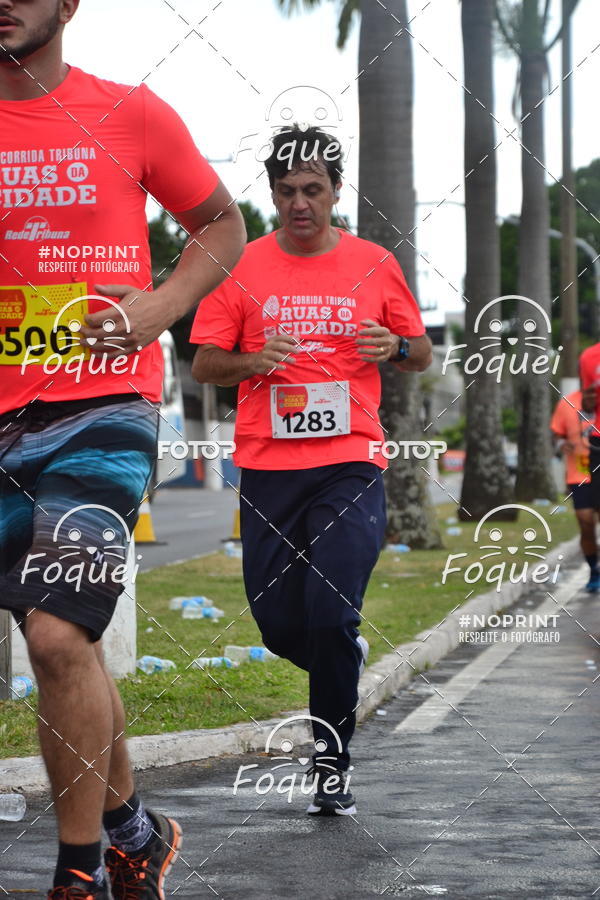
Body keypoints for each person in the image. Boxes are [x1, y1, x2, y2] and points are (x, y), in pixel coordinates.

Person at [0, 1, 245, 897]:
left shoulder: (130, 113)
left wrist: (159, 307)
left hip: (105, 402)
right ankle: (137, 833)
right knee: (60, 643)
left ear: (68, 4)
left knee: (60, 630)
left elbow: (222, 224)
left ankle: (79, 875)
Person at [190, 125, 432, 816]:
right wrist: (252, 360)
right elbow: (204, 361)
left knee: (331, 611)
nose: (301, 203)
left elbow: (420, 353)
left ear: (335, 192)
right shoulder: (240, 265)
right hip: (268, 467)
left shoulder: (373, 261)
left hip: (350, 462)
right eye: (287, 190)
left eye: (313, 190)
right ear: (272, 194)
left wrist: (397, 344)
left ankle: (331, 760)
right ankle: (340, 665)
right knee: (276, 627)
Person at [550, 390, 597, 592]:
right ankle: (594, 569)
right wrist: (562, 444)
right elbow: (556, 435)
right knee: (585, 521)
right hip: (580, 473)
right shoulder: (568, 403)